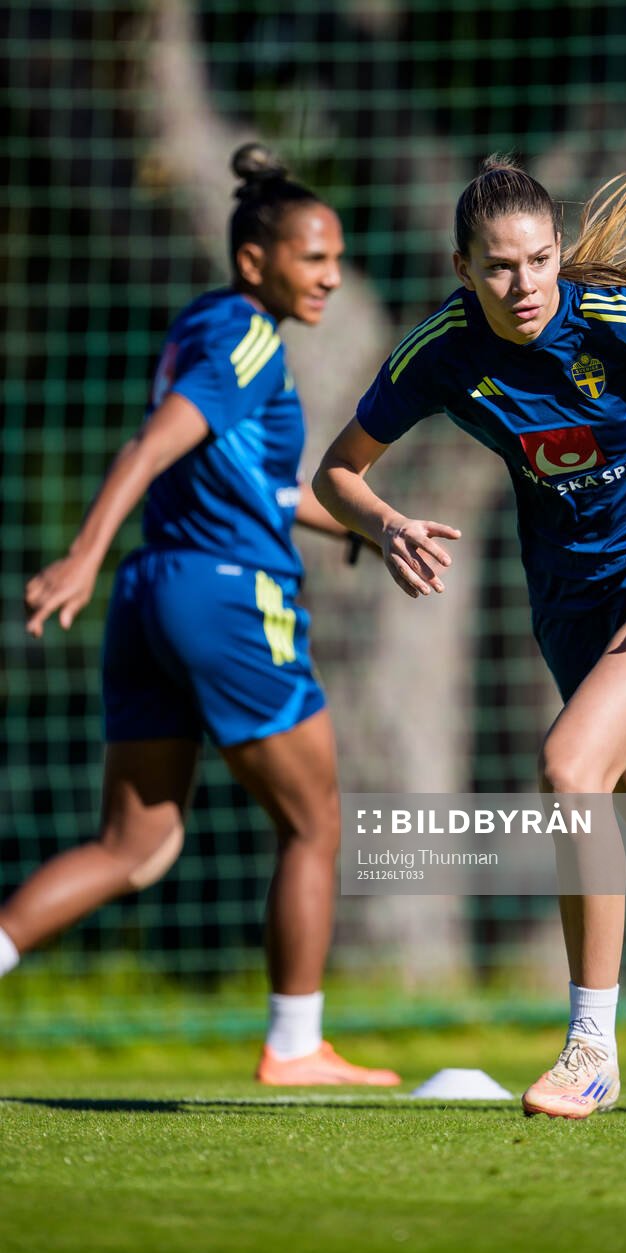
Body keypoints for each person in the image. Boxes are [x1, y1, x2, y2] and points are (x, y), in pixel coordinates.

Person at [314, 157, 626, 1118]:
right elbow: (340, 470)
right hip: (572, 599)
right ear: (463, 269)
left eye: (540, 259)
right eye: (499, 267)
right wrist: (386, 527)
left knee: (569, 765)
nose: (525, 284)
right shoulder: (440, 352)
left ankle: (590, 1045)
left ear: (557, 254)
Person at [1, 143, 400, 1089]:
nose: (332, 277)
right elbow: (152, 446)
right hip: (225, 597)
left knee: (134, 845)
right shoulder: (248, 339)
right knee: (314, 824)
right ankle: (296, 1047)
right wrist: (81, 554)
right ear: (256, 259)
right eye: (314, 258)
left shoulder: (203, 323)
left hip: (156, 596)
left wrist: (365, 528)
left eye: (337, 260)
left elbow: (255, 483)